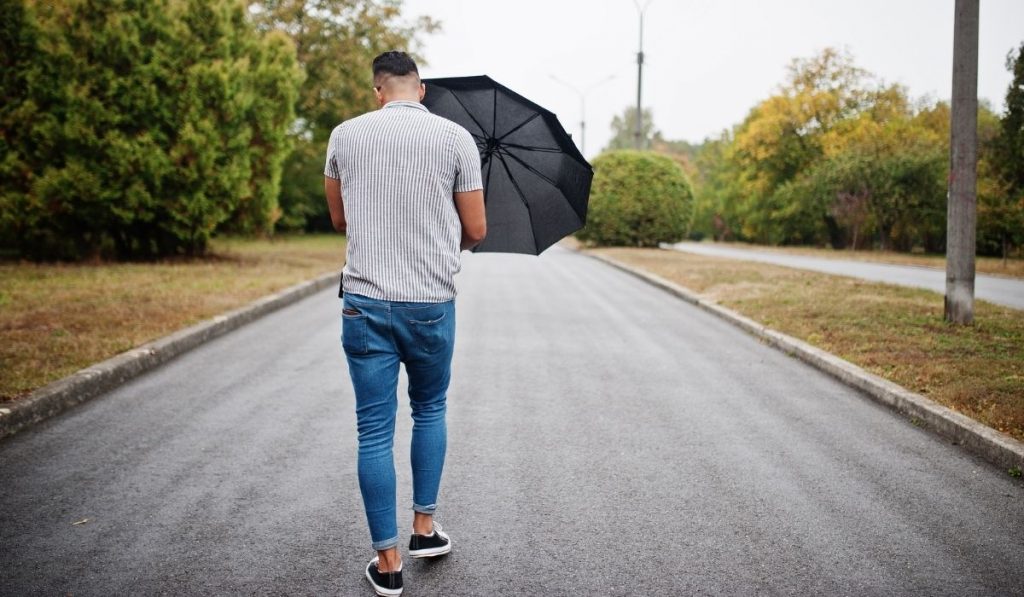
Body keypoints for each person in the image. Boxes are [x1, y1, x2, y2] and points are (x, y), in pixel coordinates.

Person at [323, 50, 486, 597]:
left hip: (364, 302)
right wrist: (446, 240)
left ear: (377, 91)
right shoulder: (456, 139)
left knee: (373, 429)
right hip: (430, 303)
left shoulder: (344, 136)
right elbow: (477, 229)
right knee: (430, 408)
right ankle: (423, 528)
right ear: (421, 89)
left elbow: (339, 218)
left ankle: (387, 564)